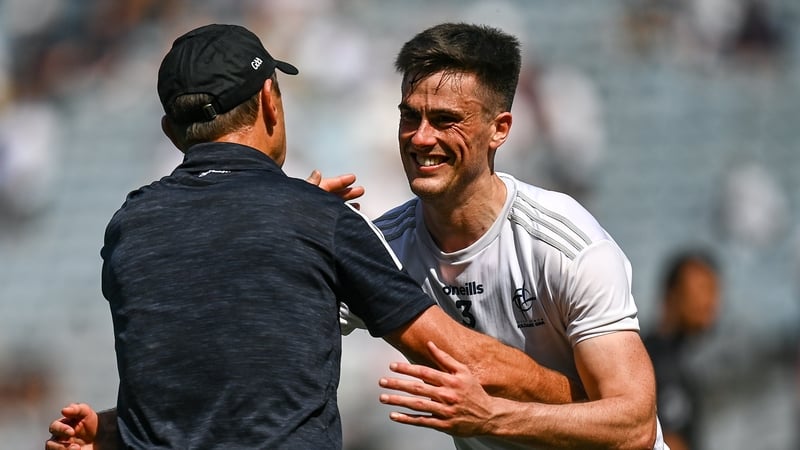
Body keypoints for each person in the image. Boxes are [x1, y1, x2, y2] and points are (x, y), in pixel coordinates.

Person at [44, 23, 588, 450]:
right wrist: (578, 402)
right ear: (269, 102)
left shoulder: (128, 226)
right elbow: (454, 354)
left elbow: (205, 372)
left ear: (172, 131)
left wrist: (119, 432)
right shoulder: (316, 218)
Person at [349, 22, 665, 449]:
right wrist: (296, 226)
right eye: (410, 116)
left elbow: (634, 428)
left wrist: (492, 417)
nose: (421, 137)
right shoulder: (383, 248)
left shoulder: (564, 246)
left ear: (499, 128)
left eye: (446, 120)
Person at [643, 250, 721, 450]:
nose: (711, 302)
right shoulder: (662, 361)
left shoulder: (675, 356)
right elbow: (669, 441)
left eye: (715, 291)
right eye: (704, 288)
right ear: (673, 294)